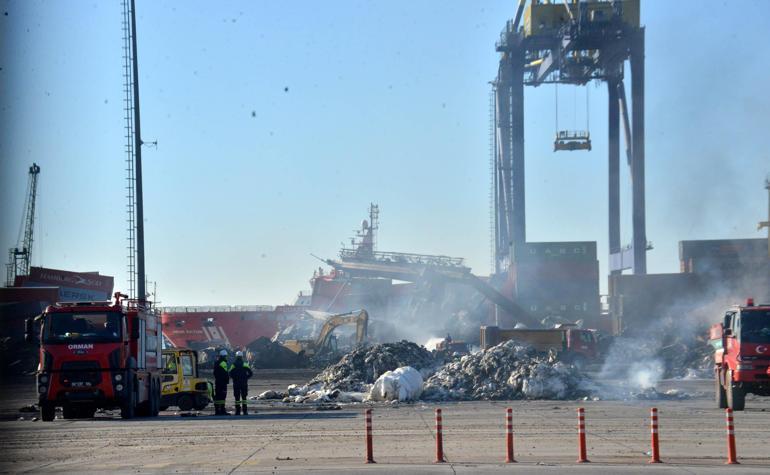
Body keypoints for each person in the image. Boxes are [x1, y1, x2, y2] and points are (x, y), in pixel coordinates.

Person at [229, 350, 253, 415]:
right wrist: (246, 378)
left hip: (236, 383)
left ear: (236, 357)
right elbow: (250, 373)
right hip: (244, 383)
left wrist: (234, 378)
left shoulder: (233, 365)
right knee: (244, 397)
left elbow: (230, 373)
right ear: (242, 357)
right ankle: (245, 411)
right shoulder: (245, 364)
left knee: (237, 398)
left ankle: (237, 411)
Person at [213, 349, 230, 415]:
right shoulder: (223, 363)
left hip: (217, 382)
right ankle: (222, 410)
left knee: (217, 396)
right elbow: (226, 373)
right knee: (223, 396)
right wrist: (226, 381)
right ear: (224, 356)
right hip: (222, 383)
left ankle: (217, 411)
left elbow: (215, 373)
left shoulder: (216, 362)